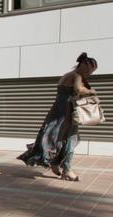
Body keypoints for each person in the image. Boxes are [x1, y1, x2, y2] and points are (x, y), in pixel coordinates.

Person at [18, 52, 98, 181]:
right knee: (69, 140)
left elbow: (72, 94)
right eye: (90, 70)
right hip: (65, 114)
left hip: (58, 112)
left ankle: (56, 164)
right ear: (83, 65)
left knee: (57, 140)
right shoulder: (76, 76)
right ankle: (66, 170)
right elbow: (79, 90)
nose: (90, 74)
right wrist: (90, 91)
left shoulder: (69, 75)